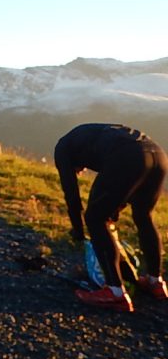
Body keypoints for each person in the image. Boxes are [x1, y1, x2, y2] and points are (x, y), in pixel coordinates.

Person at [54, 123, 168, 312]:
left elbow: (71, 196)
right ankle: (156, 283)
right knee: (143, 215)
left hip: (128, 157)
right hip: (157, 155)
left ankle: (115, 292)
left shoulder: (62, 149)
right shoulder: (87, 135)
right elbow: (120, 187)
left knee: (94, 218)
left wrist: (78, 231)